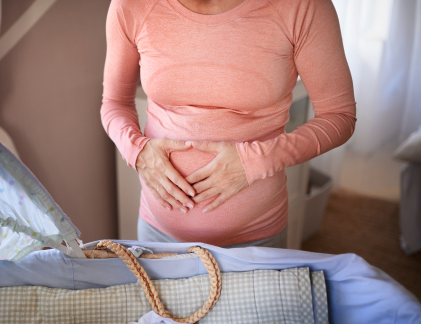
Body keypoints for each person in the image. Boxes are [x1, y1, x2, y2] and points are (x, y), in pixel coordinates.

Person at [101, 0, 356, 248]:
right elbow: (115, 102)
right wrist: (138, 151)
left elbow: (339, 116)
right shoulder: (130, 6)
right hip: (157, 236)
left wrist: (258, 159)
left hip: (256, 239)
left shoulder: (303, 7)